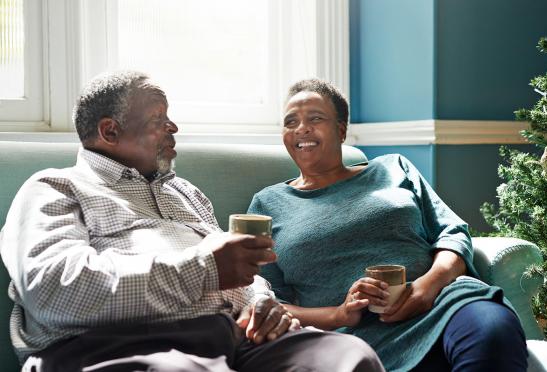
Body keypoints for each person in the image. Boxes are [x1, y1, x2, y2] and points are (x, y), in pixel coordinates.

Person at [0, 71, 384, 372]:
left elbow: (238, 277)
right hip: (116, 346)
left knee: (348, 358)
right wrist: (204, 268)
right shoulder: (55, 188)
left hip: (234, 339)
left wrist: (264, 303)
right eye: (159, 120)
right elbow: (53, 289)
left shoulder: (183, 192)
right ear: (110, 131)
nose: (173, 129)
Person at [247, 78, 529, 372]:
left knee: (493, 332)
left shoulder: (393, 168)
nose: (301, 128)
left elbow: (452, 233)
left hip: (441, 304)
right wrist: (339, 314)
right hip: (353, 338)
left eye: (315, 118)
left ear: (341, 130)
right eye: (291, 121)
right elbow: (265, 299)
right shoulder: (268, 204)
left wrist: (427, 288)